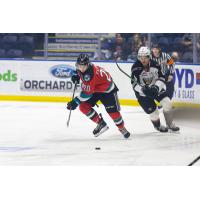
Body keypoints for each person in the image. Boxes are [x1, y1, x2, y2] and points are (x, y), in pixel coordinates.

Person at [67, 54, 131, 138]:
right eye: (79, 66)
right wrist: (76, 75)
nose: (81, 68)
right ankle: (101, 123)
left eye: (84, 66)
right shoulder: (83, 68)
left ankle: (121, 128)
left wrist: (75, 101)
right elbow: (77, 71)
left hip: (108, 90)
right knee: (83, 106)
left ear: (88, 64)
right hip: (95, 88)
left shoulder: (89, 75)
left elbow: (87, 93)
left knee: (113, 112)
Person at [131, 46, 180, 132]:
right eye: (141, 57)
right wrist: (142, 89)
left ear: (149, 57)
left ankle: (170, 124)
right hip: (143, 94)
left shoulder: (155, 64)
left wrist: (156, 87)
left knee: (167, 102)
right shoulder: (135, 67)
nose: (143, 60)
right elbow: (134, 84)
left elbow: (161, 77)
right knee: (154, 113)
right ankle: (157, 126)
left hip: (155, 88)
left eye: (145, 57)